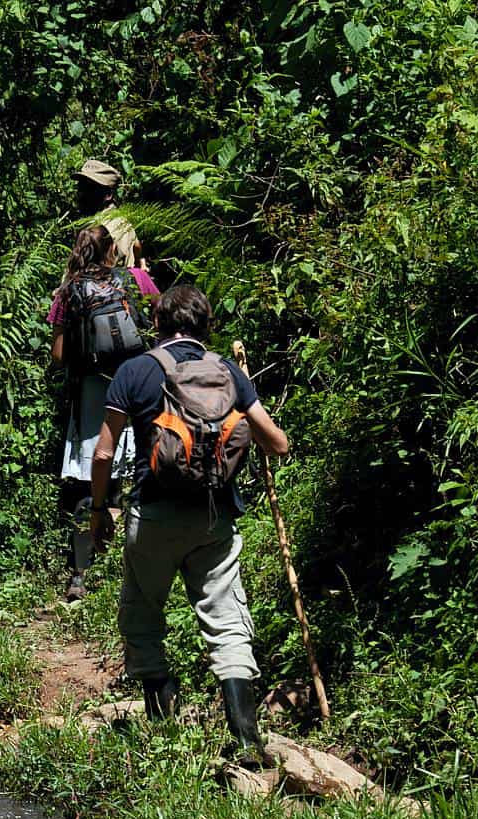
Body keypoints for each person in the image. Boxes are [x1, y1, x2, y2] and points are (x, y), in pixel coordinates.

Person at [89, 285, 289, 759]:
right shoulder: (228, 372)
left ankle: (162, 725)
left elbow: (102, 452)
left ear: (157, 324)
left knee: (142, 614)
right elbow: (277, 444)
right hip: (213, 518)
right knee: (226, 621)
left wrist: (99, 510)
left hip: (152, 515)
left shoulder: (134, 372)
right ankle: (245, 737)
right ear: (205, 324)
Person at [48, 225, 160, 601]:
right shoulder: (137, 279)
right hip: (138, 388)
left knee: (87, 481)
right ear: (113, 251)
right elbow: (162, 323)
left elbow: (59, 357)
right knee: (135, 481)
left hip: (93, 393)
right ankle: (133, 570)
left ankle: (81, 575)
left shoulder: (67, 292)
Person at [74, 159, 143, 270]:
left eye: (89, 189)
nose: (80, 193)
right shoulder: (111, 220)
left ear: (108, 195)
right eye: (80, 187)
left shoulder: (107, 228)